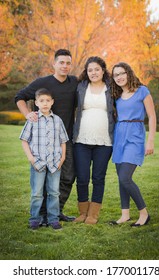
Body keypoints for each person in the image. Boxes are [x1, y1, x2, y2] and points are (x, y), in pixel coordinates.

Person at [15, 49, 78, 224]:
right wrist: (28, 114)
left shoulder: (74, 82)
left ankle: (56, 212)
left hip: (66, 139)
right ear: (54, 64)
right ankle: (41, 215)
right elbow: (20, 97)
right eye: (61, 63)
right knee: (42, 177)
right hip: (43, 143)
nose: (65, 66)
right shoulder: (42, 82)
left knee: (68, 176)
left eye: (68, 63)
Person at [110, 62, 156, 227]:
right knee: (121, 178)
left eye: (122, 73)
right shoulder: (116, 96)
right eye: (116, 75)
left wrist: (150, 140)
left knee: (125, 177)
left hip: (135, 136)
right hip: (119, 136)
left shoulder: (142, 91)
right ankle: (125, 215)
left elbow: (151, 116)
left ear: (128, 73)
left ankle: (144, 213)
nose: (119, 77)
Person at [73, 56, 115, 224]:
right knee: (82, 177)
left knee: (98, 177)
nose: (93, 72)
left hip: (104, 141)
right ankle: (83, 212)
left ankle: (93, 215)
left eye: (97, 69)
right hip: (81, 140)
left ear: (103, 70)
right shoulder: (80, 87)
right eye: (90, 70)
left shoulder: (111, 88)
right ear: (86, 72)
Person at [20, 88, 69, 230]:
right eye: (42, 101)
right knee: (37, 193)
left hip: (55, 163)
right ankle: (35, 219)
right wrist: (31, 159)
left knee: (54, 192)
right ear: (36, 103)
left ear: (52, 102)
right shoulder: (33, 119)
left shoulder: (57, 120)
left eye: (48, 100)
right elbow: (24, 140)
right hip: (38, 163)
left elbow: (63, 141)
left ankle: (53, 219)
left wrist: (63, 157)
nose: (45, 103)